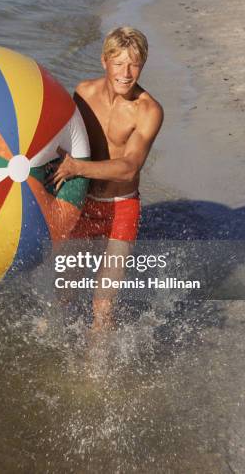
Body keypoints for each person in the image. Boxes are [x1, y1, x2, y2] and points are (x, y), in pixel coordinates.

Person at [51, 27, 163, 332]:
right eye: (119, 63)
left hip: (122, 207)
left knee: (103, 304)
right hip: (83, 202)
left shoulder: (148, 111)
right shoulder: (83, 94)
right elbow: (61, 141)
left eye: (134, 64)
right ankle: (51, 344)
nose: (126, 73)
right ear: (104, 61)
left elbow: (129, 167)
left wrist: (77, 169)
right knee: (65, 290)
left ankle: (95, 374)